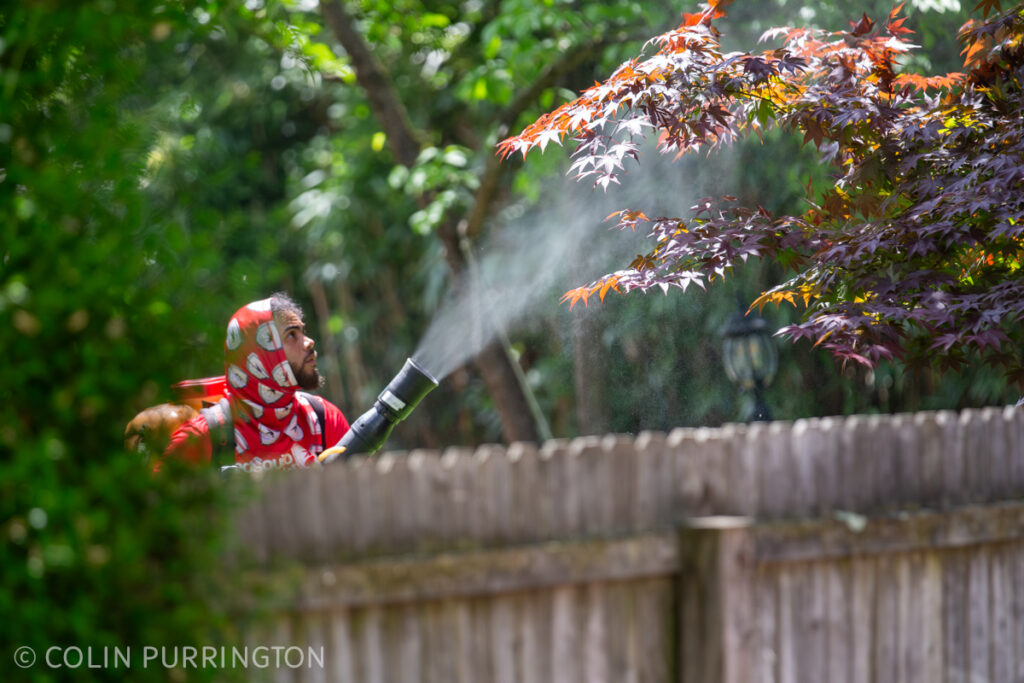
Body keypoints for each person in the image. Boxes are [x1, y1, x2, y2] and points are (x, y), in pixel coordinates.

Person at [160, 293, 350, 472]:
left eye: (302, 332)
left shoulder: (323, 419)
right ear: (258, 356)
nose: (309, 342)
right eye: (291, 335)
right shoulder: (204, 438)